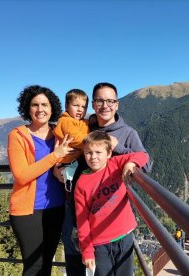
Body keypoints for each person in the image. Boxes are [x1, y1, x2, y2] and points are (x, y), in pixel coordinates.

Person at [58, 82, 151, 275]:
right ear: (93, 104)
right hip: (77, 207)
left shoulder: (127, 133)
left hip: (112, 218)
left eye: (110, 101)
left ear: (117, 104)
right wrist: (56, 166)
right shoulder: (85, 127)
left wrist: (123, 154)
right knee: (76, 264)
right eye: (100, 100)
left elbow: (146, 163)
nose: (105, 105)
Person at [7, 85, 75, 275]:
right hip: (28, 212)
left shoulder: (59, 133)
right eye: (35, 105)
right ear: (27, 109)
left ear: (52, 108)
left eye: (45, 104)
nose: (40, 109)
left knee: (46, 265)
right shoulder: (18, 136)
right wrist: (55, 156)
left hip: (56, 207)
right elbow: (21, 175)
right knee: (34, 266)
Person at [74, 130, 149, 275]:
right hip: (99, 243)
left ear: (109, 153)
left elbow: (143, 155)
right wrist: (87, 250)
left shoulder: (115, 164)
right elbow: (82, 220)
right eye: (88, 152)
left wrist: (131, 163)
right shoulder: (82, 184)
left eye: (98, 152)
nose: (93, 157)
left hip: (124, 236)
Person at [53, 89, 90, 190]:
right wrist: (94, 142)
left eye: (83, 107)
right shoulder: (65, 121)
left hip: (75, 162)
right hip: (67, 163)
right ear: (66, 106)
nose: (80, 109)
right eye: (76, 105)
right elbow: (75, 139)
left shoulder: (83, 122)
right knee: (72, 190)